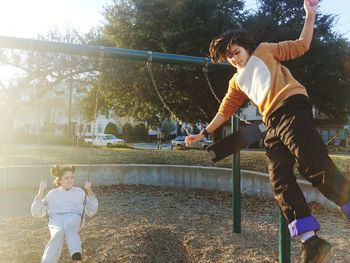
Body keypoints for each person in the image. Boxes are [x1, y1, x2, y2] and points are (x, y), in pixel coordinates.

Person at [186, 0, 349, 262]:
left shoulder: (264, 51)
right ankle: (312, 241)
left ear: (246, 48)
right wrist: (203, 133)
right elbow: (224, 111)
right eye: (229, 57)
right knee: (279, 179)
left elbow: (301, 45)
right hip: (273, 121)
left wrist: (310, 15)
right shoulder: (236, 82)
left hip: (292, 106)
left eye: (236, 52)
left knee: (312, 164)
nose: (234, 59)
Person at [31, 165, 98, 263]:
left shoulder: (79, 192)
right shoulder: (52, 193)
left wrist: (89, 190)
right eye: (66, 178)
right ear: (60, 180)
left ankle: (76, 257)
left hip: (74, 216)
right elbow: (36, 212)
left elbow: (92, 211)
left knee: (69, 226)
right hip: (56, 219)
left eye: (72, 177)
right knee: (58, 233)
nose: (70, 180)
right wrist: (41, 190)